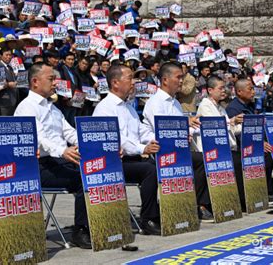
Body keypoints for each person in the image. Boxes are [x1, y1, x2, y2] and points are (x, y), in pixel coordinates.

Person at [14, 63, 91, 249]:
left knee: (95, 169)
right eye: (51, 79)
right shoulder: (27, 108)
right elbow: (39, 139)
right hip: (37, 166)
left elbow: (70, 132)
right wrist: (63, 151)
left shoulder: (53, 108)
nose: (55, 83)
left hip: (58, 161)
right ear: (34, 82)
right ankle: (80, 231)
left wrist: (89, 144)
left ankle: (94, 224)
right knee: (84, 178)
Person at [93, 64, 162, 235]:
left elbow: (141, 131)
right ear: (115, 83)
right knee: (149, 170)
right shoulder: (104, 108)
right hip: (114, 162)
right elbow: (118, 140)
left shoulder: (129, 107)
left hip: (132, 157)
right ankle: (148, 219)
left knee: (162, 163)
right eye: (130, 78)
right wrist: (142, 148)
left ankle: (163, 211)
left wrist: (158, 140)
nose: (134, 82)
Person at [141, 62, 213, 220]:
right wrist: (183, 131)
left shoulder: (175, 103)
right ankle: (195, 204)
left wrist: (190, 129)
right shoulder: (155, 103)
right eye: (178, 77)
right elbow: (163, 131)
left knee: (205, 158)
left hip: (178, 148)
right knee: (199, 160)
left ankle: (197, 203)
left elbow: (180, 128)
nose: (181, 81)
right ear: (165, 80)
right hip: (162, 150)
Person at [195, 76, 246, 210]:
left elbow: (230, 129)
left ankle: (240, 199)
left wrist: (244, 125)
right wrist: (231, 121)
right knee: (236, 161)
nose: (224, 91)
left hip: (226, 147)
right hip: (212, 148)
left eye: (225, 88)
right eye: (221, 88)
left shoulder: (221, 108)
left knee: (243, 158)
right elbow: (214, 127)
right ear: (210, 90)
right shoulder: (205, 105)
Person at [225, 79, 273, 202]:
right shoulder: (234, 109)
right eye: (250, 89)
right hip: (242, 146)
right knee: (266, 156)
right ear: (239, 91)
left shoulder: (250, 106)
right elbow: (240, 134)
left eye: (253, 89)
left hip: (255, 141)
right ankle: (266, 190)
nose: (253, 92)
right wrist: (258, 144)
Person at [0, 49, 18, 116]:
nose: (9, 57)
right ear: (1, 56)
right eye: (6, 55)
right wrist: (9, 84)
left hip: (12, 100)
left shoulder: (10, 67)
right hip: (3, 102)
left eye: (10, 55)